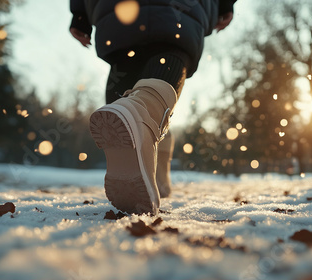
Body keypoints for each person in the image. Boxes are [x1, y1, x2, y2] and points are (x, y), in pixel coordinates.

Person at [69, 0, 236, 215]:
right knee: (168, 51)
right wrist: (225, 5)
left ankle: (143, 127)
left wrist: (80, 13)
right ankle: (146, 125)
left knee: (125, 85)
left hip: (117, 10)